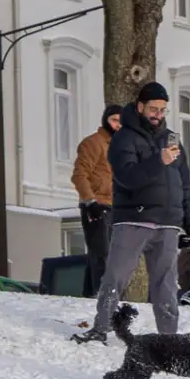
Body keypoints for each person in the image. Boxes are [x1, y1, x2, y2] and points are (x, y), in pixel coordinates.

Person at [73, 82, 190, 344]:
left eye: (163, 110)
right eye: (153, 109)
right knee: (116, 277)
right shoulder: (123, 138)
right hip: (134, 218)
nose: (158, 115)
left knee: (166, 285)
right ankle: (101, 328)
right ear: (140, 106)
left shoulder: (172, 139)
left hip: (168, 222)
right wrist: (158, 161)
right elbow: (127, 177)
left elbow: (184, 183)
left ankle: (169, 339)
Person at [73, 104, 123, 297]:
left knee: (107, 254)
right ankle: (104, 297)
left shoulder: (122, 146)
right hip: (97, 205)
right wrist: (90, 201)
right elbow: (79, 175)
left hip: (116, 206)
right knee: (102, 253)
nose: (118, 125)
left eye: (122, 121)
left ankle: (90, 295)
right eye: (114, 120)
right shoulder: (93, 143)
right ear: (106, 120)